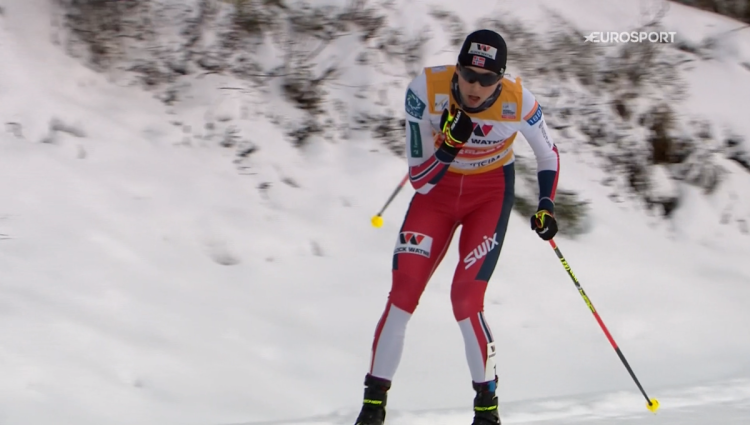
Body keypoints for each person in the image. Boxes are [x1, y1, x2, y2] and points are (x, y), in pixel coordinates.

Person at [354, 29, 561, 425]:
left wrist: (546, 206)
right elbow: (420, 181)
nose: (475, 87)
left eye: (487, 79)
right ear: (457, 69)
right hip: (437, 193)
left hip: (489, 195)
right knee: (402, 294)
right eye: (468, 75)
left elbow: (547, 154)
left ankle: (486, 411)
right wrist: (448, 146)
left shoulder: (519, 101)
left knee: (466, 300)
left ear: (500, 79)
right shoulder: (425, 90)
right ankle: (372, 408)